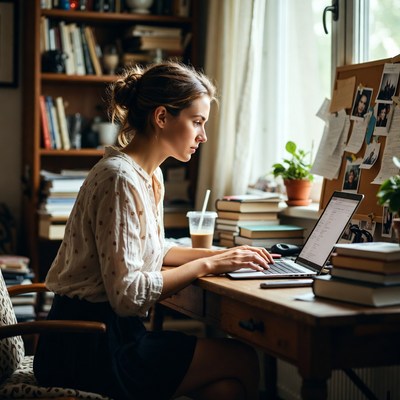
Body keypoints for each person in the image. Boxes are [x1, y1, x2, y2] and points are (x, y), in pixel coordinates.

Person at [33, 61, 274, 400]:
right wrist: (207, 265)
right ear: (162, 117)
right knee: (242, 358)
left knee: (226, 388)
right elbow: (127, 294)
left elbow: (152, 250)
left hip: (109, 334)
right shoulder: (119, 178)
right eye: (197, 122)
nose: (203, 136)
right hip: (86, 344)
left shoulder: (149, 175)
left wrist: (222, 254)